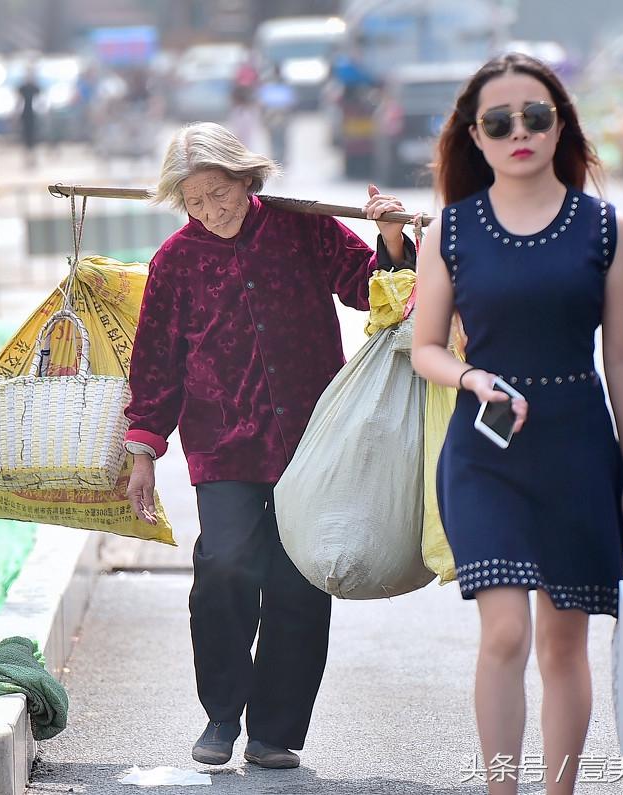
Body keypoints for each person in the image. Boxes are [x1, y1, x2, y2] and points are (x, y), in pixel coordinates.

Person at [123, 122, 414, 770]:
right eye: (195, 201)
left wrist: (392, 241)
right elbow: (155, 365)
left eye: (219, 192)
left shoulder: (301, 228)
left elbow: (371, 288)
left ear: (246, 179)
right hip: (223, 444)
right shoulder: (174, 262)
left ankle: (275, 730)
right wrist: (142, 449)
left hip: (311, 440)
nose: (211, 209)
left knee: (300, 579)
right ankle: (223, 713)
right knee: (224, 564)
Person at [410, 54, 623, 795]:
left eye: (536, 116)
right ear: (475, 138)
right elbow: (424, 347)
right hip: (485, 451)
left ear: (561, 126)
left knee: (561, 643)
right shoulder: (450, 232)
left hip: (579, 450)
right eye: (498, 121)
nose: (519, 131)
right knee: (507, 631)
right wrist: (469, 375)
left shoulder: (606, 230)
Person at [17, 64, 42, 169]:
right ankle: (27, 158)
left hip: (33, 114)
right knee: (25, 137)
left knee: (33, 137)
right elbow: (18, 102)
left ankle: (33, 158)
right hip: (25, 114)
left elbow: (40, 101)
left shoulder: (35, 88)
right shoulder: (22, 88)